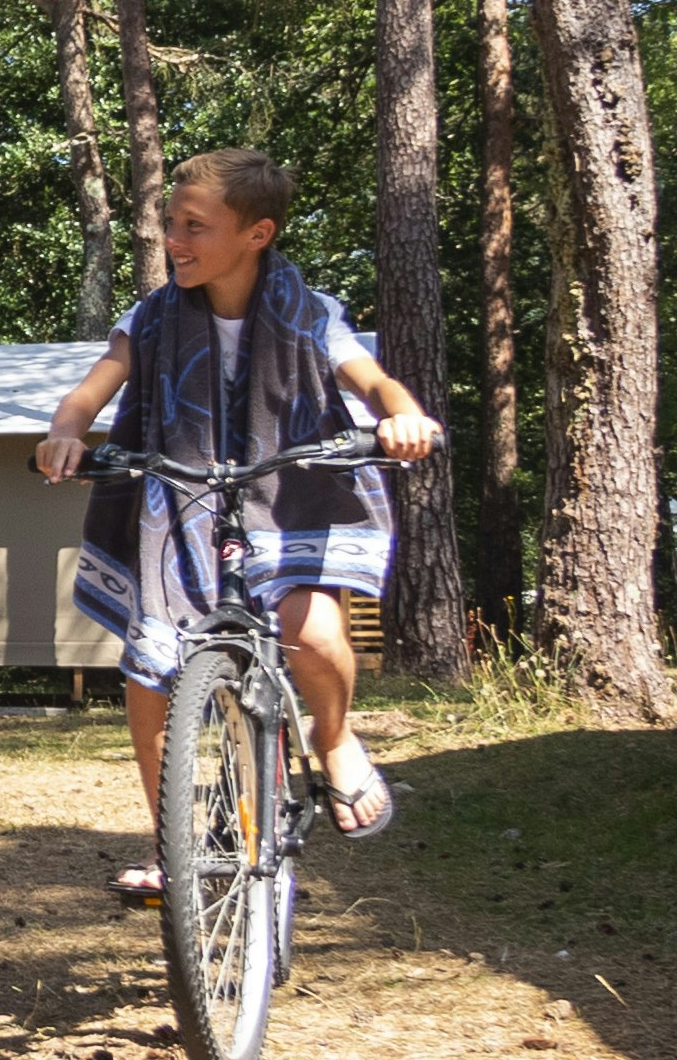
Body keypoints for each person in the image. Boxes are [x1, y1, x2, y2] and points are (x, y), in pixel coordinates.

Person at [35, 147, 438, 898]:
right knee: (151, 668)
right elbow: (91, 392)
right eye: (170, 223)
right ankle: (173, 846)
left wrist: (403, 418)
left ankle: (336, 738)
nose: (174, 241)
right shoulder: (151, 318)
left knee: (313, 633)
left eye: (194, 226)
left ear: (257, 234)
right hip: (181, 503)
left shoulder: (308, 312)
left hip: (289, 498)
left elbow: (373, 381)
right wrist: (67, 432)